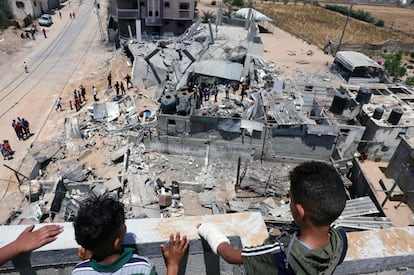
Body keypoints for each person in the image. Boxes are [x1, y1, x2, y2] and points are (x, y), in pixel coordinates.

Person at [197, 161, 348, 275]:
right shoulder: (340, 241)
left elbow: (230, 255)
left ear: (299, 211)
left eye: (291, 199)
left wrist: (208, 230)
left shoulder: (282, 254)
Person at [72, 195, 189, 275]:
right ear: (117, 242)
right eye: (123, 226)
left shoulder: (79, 271)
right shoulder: (143, 268)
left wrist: (88, 261)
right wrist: (173, 264)